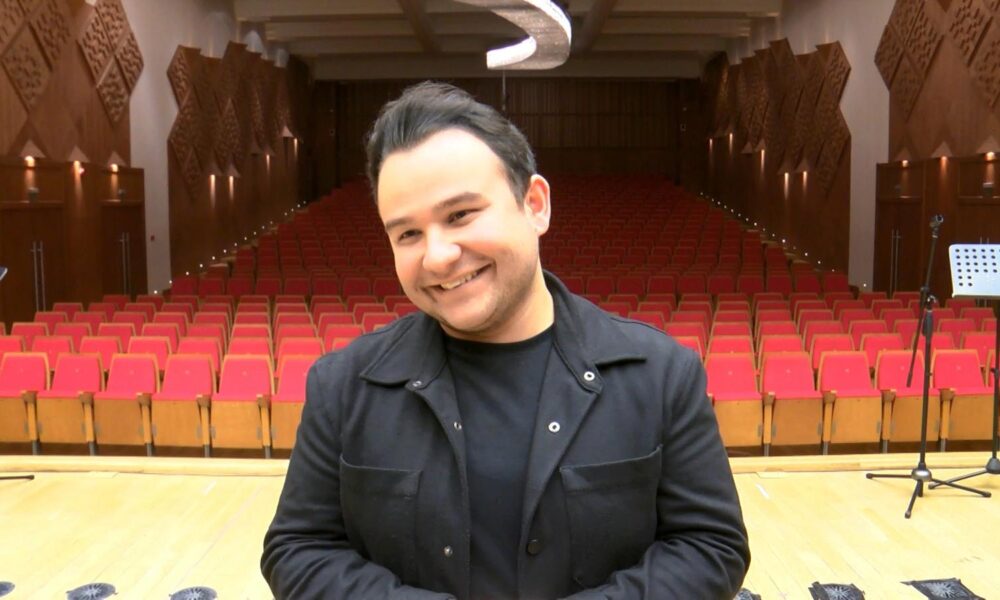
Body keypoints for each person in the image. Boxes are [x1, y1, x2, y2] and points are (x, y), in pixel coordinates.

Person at [261, 81, 750, 599]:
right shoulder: (341, 385)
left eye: (460, 215)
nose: (437, 256)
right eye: (407, 234)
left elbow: (710, 546)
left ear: (535, 205)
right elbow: (299, 549)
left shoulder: (662, 374)